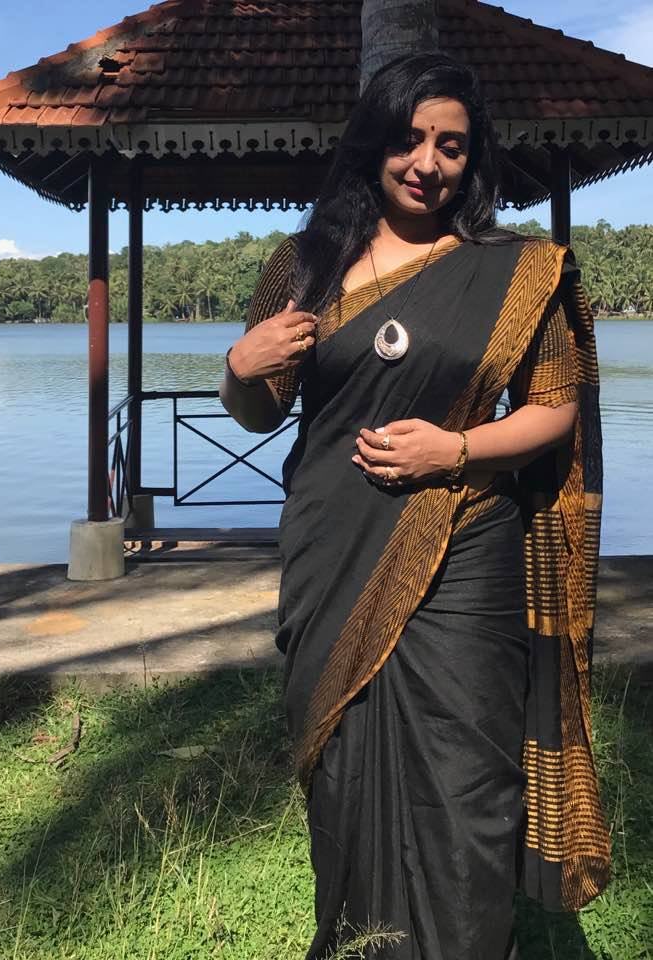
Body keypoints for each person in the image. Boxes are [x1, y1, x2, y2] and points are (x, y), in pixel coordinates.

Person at [219, 53, 610, 960]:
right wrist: (238, 367)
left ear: (473, 161)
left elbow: (555, 410)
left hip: (466, 548)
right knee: (344, 768)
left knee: (468, 773)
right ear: (374, 143)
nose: (426, 164)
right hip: (331, 548)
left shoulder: (516, 270)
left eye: (450, 147)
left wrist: (456, 449)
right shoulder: (305, 265)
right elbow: (259, 410)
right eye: (407, 140)